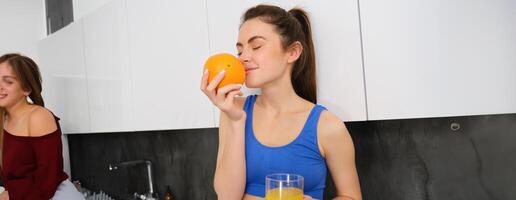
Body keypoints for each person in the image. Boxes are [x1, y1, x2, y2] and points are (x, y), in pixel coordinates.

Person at [201, 4, 362, 200]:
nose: (243, 58)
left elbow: (351, 196)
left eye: (257, 46)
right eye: (240, 51)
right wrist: (235, 121)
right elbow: (227, 197)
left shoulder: (327, 126)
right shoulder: (234, 110)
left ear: (293, 52)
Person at [0, 53, 84, 200]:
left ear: (26, 88)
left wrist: (11, 195)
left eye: (8, 82)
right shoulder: (3, 120)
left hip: (51, 195)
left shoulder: (39, 117)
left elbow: (47, 179)